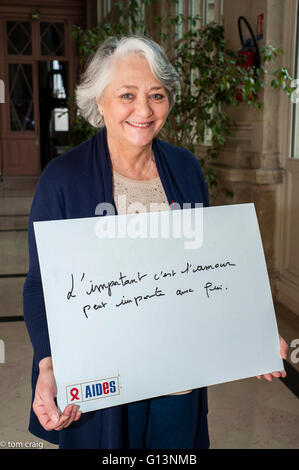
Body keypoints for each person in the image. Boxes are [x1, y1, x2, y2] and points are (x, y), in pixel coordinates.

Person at [23, 35, 288, 450]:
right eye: (127, 95)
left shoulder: (184, 168)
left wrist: (252, 334)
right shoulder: (63, 178)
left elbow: (207, 271)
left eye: (157, 95)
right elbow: (40, 285)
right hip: (103, 383)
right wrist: (49, 363)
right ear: (100, 101)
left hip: (178, 380)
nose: (144, 110)